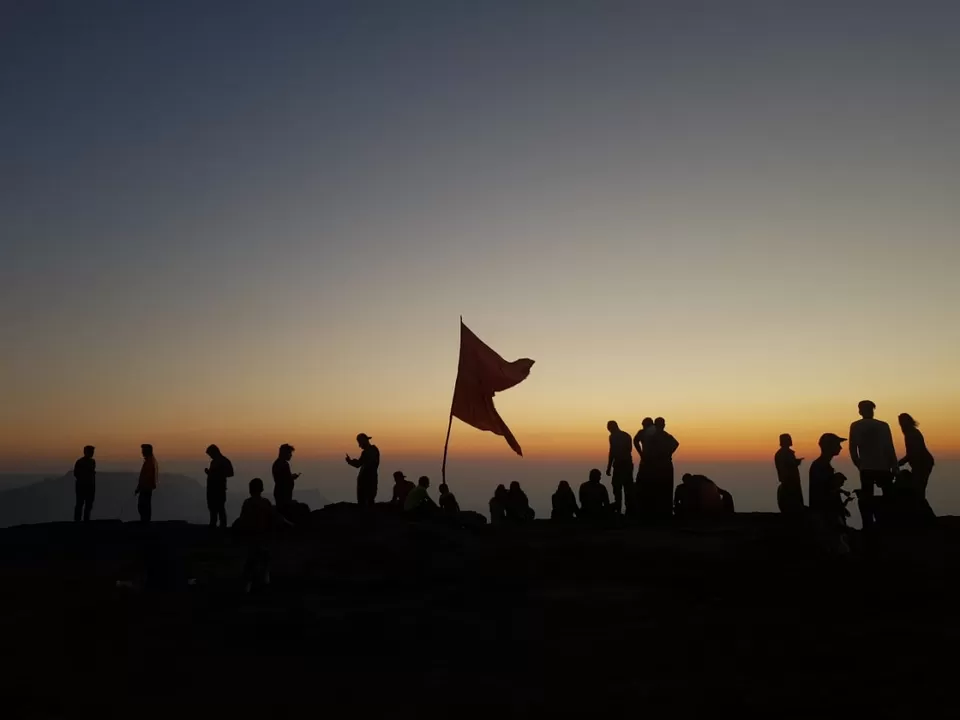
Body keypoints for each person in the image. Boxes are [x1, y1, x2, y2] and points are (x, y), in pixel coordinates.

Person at [234, 477, 292, 593]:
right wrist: (289, 524)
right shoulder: (264, 502)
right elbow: (276, 517)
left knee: (252, 561)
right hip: (262, 538)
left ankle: (248, 586)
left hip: (250, 537)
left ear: (250, 490)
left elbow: (242, 520)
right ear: (261, 489)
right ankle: (264, 582)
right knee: (264, 559)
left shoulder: (247, 503)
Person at [849, 401, 898, 529]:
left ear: (860, 411)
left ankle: (868, 525)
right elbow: (889, 447)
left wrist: (859, 464)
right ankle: (889, 523)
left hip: (866, 468)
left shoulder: (855, 426)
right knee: (888, 497)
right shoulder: (883, 425)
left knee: (867, 498)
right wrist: (894, 465)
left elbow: (853, 449)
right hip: (884, 467)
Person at [809, 433, 851, 553]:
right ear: (829, 446)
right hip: (825, 515)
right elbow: (825, 492)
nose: (840, 447)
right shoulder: (821, 466)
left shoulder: (821, 465)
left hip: (825, 514)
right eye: (837, 444)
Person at [897, 413, 935, 499]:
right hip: (921, 463)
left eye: (902, 422)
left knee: (918, 487)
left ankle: (921, 508)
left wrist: (899, 463)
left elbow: (913, 452)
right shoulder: (910, 432)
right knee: (919, 487)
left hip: (923, 463)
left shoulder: (912, 433)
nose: (901, 424)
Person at [650, 418, 680, 519]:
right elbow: (676, 444)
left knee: (661, 488)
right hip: (663, 464)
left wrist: (667, 453)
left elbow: (676, 444)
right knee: (663, 488)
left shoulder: (658, 436)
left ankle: (662, 513)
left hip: (660, 464)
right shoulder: (665, 435)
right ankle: (663, 512)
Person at [606, 420, 634, 515]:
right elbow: (629, 449)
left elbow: (612, 452)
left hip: (621, 465)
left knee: (619, 488)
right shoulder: (626, 435)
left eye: (609, 428)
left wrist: (609, 467)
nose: (609, 430)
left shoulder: (613, 437)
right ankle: (627, 510)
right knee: (625, 488)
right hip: (625, 464)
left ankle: (620, 509)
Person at [204, 444, 234, 529]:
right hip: (212, 489)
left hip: (219, 489)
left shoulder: (224, 461)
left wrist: (217, 474)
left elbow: (230, 473)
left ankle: (222, 526)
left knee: (220, 508)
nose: (210, 456)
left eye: (210, 454)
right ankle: (213, 524)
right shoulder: (214, 462)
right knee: (212, 508)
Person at [345, 433, 380, 507]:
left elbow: (358, 464)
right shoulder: (374, 450)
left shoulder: (367, 452)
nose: (359, 445)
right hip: (372, 479)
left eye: (360, 443)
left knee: (363, 502)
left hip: (366, 481)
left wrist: (350, 461)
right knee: (369, 500)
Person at [774, 434, 805, 515]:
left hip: (790, 482)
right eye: (789, 439)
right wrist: (795, 462)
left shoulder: (782, 453)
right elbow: (787, 465)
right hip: (789, 483)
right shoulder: (784, 453)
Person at [271, 444, 300, 513]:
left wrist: (291, 477)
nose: (291, 455)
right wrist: (292, 477)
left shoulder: (278, 463)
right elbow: (284, 480)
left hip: (281, 493)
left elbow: (284, 477)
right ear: (284, 453)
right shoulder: (283, 464)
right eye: (289, 453)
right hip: (283, 495)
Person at [135, 444, 158, 523]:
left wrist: (140, 487)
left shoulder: (149, 462)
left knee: (143, 505)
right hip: (145, 488)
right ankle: (145, 521)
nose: (142, 452)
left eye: (143, 450)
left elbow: (146, 477)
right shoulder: (149, 461)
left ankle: (145, 522)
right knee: (144, 505)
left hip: (146, 488)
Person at [73, 445, 96, 522]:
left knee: (87, 505)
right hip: (83, 486)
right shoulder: (81, 462)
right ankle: (79, 521)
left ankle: (83, 520)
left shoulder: (92, 462)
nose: (92, 453)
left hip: (88, 486)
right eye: (91, 451)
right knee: (81, 504)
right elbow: (76, 474)